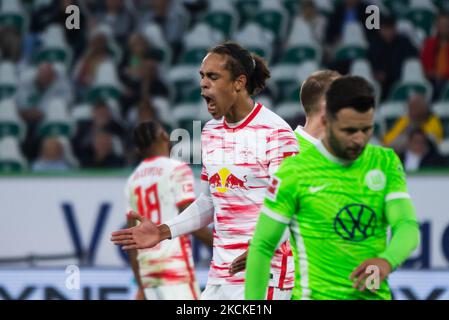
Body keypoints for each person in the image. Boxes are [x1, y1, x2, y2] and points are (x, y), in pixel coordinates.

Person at [111, 41, 299, 300]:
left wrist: (261, 248)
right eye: (202, 76)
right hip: (220, 276)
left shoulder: (276, 133)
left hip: (264, 274)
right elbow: (211, 199)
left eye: (213, 76)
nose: (203, 84)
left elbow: (290, 207)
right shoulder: (211, 132)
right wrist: (163, 231)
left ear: (239, 83)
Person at [245, 75, 420, 300]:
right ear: (327, 120)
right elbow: (262, 246)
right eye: (349, 131)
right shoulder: (294, 171)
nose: (359, 139)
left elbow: (406, 226)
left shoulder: (384, 162)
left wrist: (387, 260)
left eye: (366, 129)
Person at [125, 121, 213, 300]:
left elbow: (131, 241)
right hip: (175, 268)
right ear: (165, 137)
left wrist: (140, 283)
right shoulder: (176, 168)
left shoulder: (132, 180)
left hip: (148, 272)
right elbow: (191, 219)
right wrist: (222, 246)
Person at [421, 12, 449, 100]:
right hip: (432, 80)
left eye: (446, 24)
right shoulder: (429, 43)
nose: (443, 27)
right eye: (440, 24)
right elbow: (424, 64)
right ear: (436, 26)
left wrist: (443, 74)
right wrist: (431, 73)